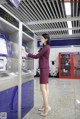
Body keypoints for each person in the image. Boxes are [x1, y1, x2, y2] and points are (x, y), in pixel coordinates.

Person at [25, 33, 51, 116]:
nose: (41, 39)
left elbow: (37, 56)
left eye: (42, 38)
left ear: (46, 39)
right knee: (46, 88)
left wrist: (26, 53)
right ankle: (45, 105)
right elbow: (40, 55)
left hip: (44, 69)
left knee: (42, 88)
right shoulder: (45, 47)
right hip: (45, 68)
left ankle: (46, 108)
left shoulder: (46, 47)